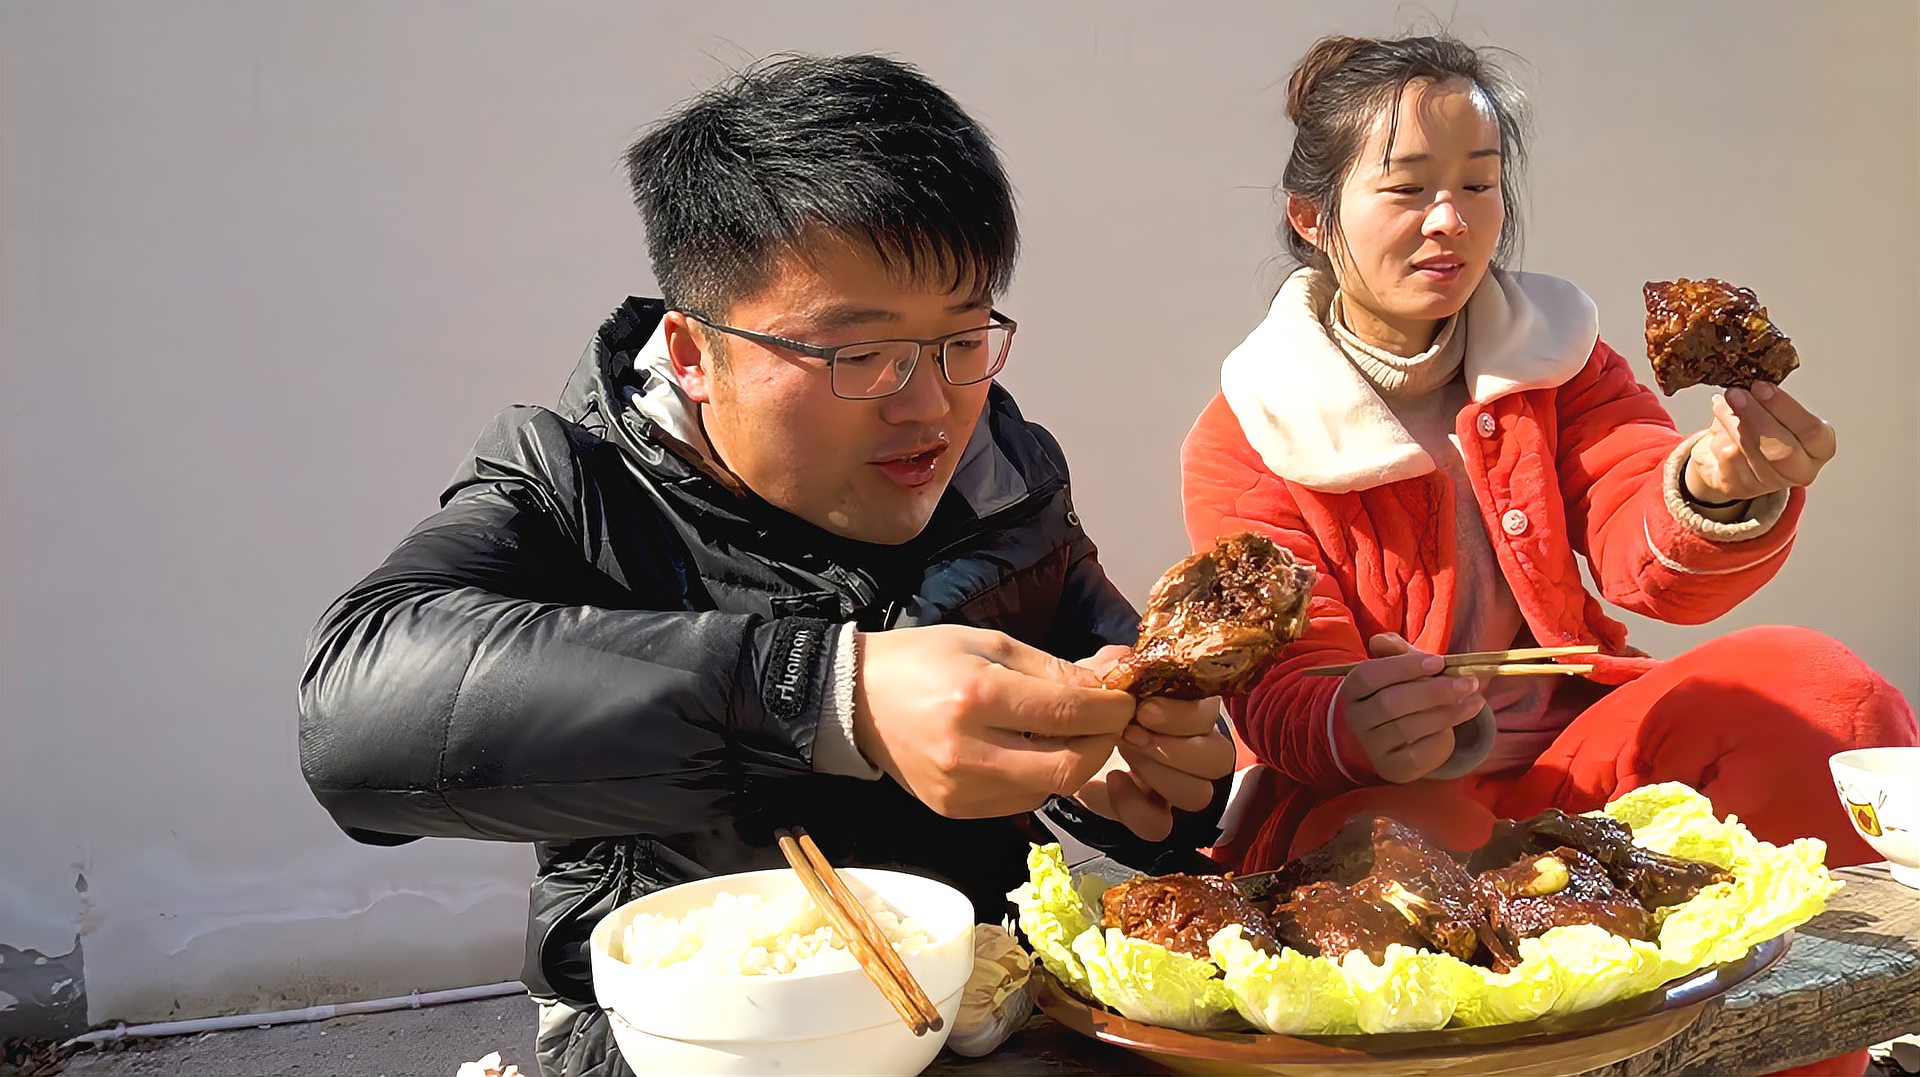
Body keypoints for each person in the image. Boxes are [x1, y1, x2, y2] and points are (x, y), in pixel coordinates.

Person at [299, 53, 1234, 1077]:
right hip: (683, 1035)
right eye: (856, 353)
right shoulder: (577, 483)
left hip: (973, 1004)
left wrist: (1161, 782)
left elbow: (1112, 696)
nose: (926, 406)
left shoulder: (1009, 478)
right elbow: (355, 715)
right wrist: (832, 695)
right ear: (695, 355)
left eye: (964, 336)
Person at [1182, 23, 1916, 994]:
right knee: (1419, 850)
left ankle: (1799, 1051)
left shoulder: (1559, 361)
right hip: (1380, 796)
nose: (1449, 218)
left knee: (1819, 690)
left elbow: (1638, 535)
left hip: (1579, 753)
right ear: (1311, 216)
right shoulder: (1250, 430)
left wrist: (1715, 485)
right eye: (1406, 188)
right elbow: (1278, 686)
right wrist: (1353, 718)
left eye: (1478, 184)